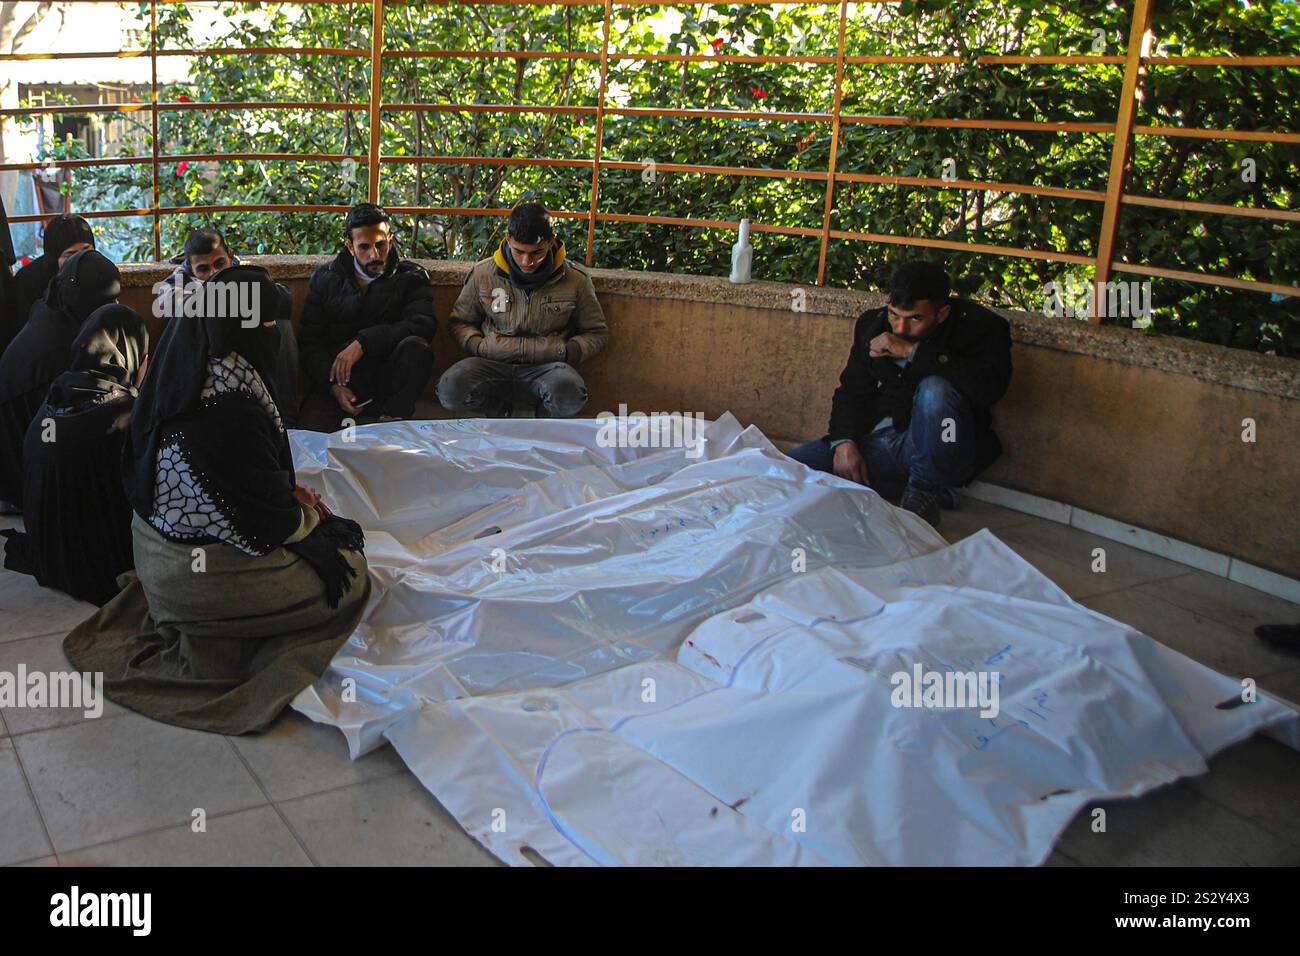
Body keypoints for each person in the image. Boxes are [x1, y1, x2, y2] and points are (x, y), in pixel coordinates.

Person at [63, 265, 371, 735]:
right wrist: (306, 514)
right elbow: (267, 526)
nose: (274, 333)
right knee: (349, 571)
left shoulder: (177, 362)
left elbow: (230, 483)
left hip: (151, 553)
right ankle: (226, 624)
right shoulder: (230, 405)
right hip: (195, 579)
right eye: (268, 324)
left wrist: (281, 494)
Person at [787, 260, 1012, 528]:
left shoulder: (979, 328)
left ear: (941, 314)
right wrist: (844, 443)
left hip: (947, 444)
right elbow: (852, 390)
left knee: (935, 390)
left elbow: (989, 390)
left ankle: (925, 489)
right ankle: (913, 485)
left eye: (915, 318)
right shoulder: (873, 324)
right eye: (894, 315)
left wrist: (912, 352)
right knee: (792, 468)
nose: (900, 329)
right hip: (885, 442)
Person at [1, 305, 148, 605]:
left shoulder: (54, 397)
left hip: (51, 560)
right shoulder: (126, 415)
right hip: (101, 570)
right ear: (135, 356)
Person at [438, 201, 608, 418]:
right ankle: (501, 413)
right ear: (508, 239)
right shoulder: (483, 273)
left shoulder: (576, 280)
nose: (527, 262)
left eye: (537, 252)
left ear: (551, 242)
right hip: (491, 363)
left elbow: (597, 332)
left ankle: (538, 421)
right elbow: (459, 321)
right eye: (519, 252)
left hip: (547, 367)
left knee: (569, 394)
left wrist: (569, 351)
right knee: (450, 389)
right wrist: (477, 345)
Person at [296, 203, 436, 432]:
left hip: (387, 381)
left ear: (390, 241)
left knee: (416, 348)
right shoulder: (325, 278)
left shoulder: (412, 277)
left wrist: (364, 342)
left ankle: (392, 419)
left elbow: (423, 325)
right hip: (340, 382)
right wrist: (333, 387)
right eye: (364, 247)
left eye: (381, 245)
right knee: (308, 442)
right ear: (350, 247)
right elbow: (311, 342)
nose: (374, 254)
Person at [0, 249, 121, 509]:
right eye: (103, 304)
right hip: (21, 481)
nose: (111, 311)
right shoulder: (63, 350)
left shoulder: (51, 310)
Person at [156, 226, 301, 421]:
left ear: (230, 257)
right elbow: (184, 310)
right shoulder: (176, 285)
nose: (213, 273)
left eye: (219, 263)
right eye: (203, 269)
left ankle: (286, 415)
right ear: (190, 268)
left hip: (253, 357)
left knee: (280, 324)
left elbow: (283, 301)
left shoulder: (242, 271)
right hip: (209, 367)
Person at [2, 213, 96, 352]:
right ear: (54, 257)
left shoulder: (95, 273)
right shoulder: (28, 283)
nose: (80, 259)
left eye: (86, 251)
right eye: (70, 255)